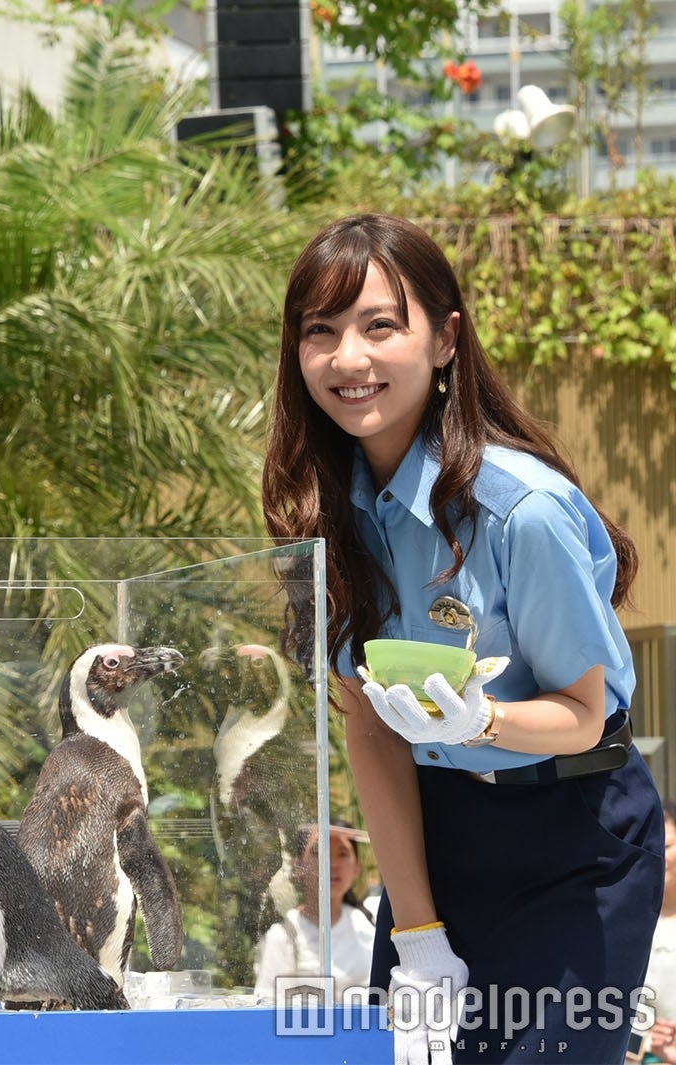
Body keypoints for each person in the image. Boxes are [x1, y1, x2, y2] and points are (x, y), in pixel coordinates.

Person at [262, 213, 662, 1064]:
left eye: (379, 325)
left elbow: (585, 713)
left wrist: (482, 722)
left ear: (445, 340)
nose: (348, 358)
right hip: (436, 836)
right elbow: (371, 729)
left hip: (576, 839)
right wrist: (417, 933)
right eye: (320, 331)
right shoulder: (323, 517)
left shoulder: (523, 510)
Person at [253, 821, 376, 1002]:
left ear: (357, 866)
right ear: (298, 866)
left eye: (343, 853)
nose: (332, 863)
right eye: (318, 852)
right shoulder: (284, 936)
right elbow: (266, 1004)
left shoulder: (370, 925)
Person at [635, 801, 676, 1062]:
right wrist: (648, 1042)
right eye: (650, 845)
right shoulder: (630, 922)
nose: (658, 854)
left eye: (667, 845)